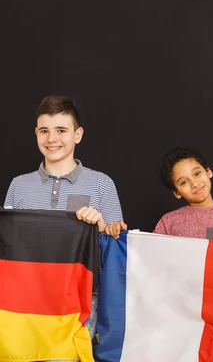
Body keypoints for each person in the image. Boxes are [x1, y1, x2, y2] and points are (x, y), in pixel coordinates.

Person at [4, 95, 126, 360]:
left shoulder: (102, 184)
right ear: (36, 134)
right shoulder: (18, 185)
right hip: (25, 300)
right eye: (45, 131)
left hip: (79, 300)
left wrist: (102, 226)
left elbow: (115, 249)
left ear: (77, 135)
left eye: (61, 130)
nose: (52, 138)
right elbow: (8, 248)